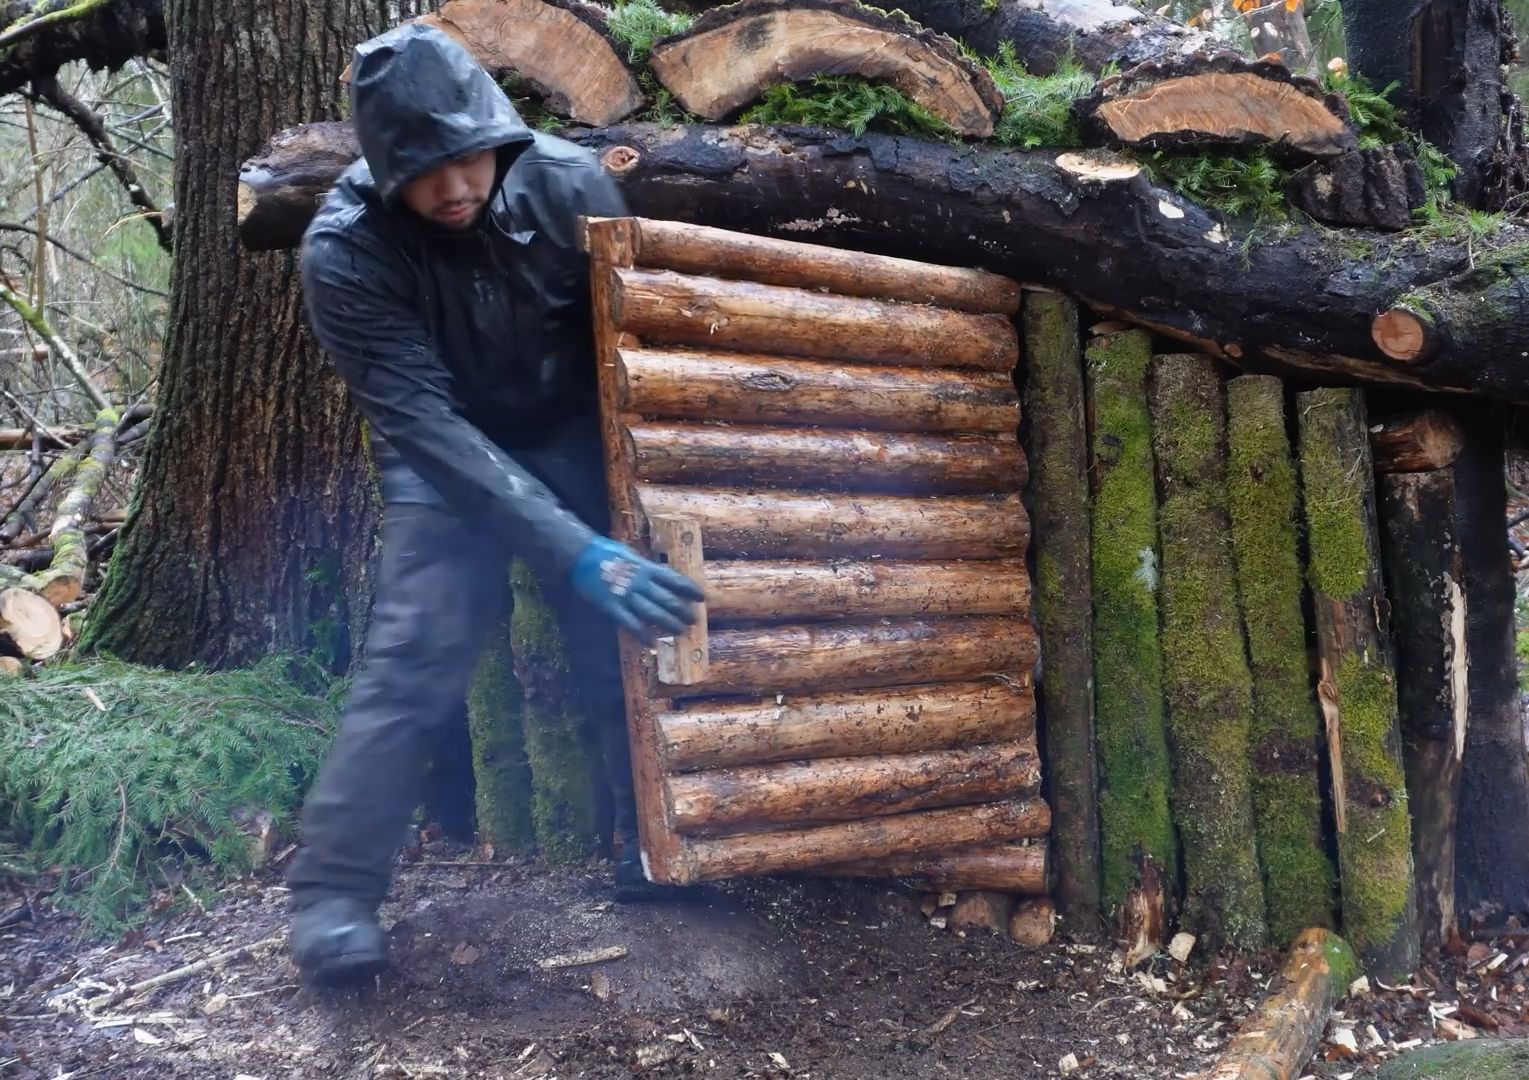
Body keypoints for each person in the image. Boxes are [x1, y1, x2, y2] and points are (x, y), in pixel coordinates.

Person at [286, 22, 703, 987]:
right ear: (388, 169)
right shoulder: (343, 253)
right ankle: (334, 900)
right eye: (427, 170)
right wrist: (572, 548)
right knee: (416, 650)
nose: (456, 185)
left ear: (497, 138)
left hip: (571, 423)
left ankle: (653, 845)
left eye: (470, 156)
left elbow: (637, 343)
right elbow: (425, 425)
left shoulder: (569, 185)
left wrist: (624, 506)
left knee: (623, 638)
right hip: (439, 453)